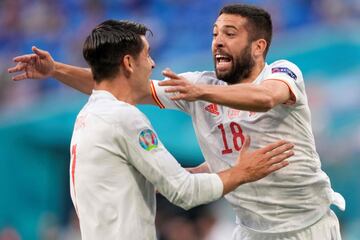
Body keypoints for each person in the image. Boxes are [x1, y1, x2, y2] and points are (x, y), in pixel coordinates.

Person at [7, 4, 344, 240]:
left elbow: (266, 98)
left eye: (230, 33)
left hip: (307, 226)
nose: (218, 42)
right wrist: (56, 70)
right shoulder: (199, 87)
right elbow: (123, 85)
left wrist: (198, 94)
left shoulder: (282, 72)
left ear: (258, 46)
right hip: (250, 230)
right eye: (214, 34)